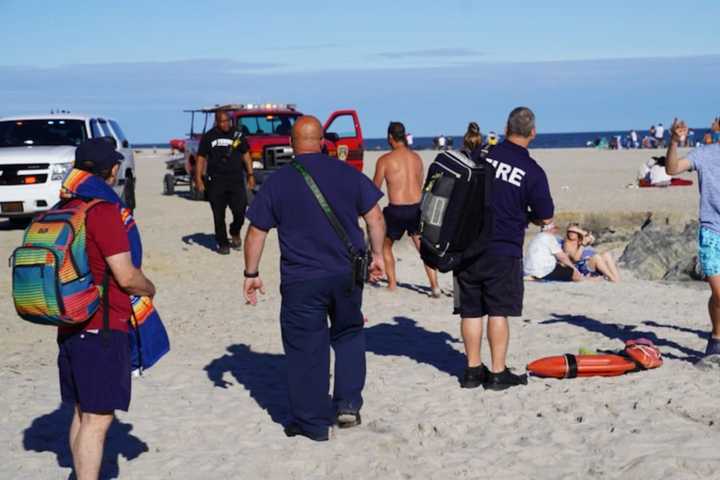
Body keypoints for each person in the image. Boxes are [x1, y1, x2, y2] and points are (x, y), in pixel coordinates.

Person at [243, 116, 386, 441]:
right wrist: (377, 256)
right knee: (349, 333)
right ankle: (348, 403)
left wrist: (251, 273)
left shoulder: (278, 181)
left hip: (302, 279)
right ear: (322, 141)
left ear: (292, 144)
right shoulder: (347, 173)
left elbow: (256, 232)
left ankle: (313, 423)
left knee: (306, 346)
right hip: (346, 274)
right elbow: (375, 216)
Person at [58, 139, 156, 480]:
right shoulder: (103, 210)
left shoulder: (70, 205)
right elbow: (126, 276)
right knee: (98, 420)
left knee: (82, 413)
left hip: (71, 324)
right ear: (111, 170)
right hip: (102, 327)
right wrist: (150, 288)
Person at [454, 107, 554, 390]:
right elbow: (546, 215)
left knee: (470, 310)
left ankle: (473, 370)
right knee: (498, 310)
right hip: (503, 246)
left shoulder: (482, 154)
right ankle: (498, 372)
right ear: (533, 133)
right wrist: (529, 214)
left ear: (506, 128)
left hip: (467, 244)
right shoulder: (532, 171)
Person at [666, 118, 720, 356]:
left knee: (718, 297)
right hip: (712, 231)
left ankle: (716, 337)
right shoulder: (705, 154)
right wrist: (674, 141)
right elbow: (672, 169)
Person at [373, 121, 440, 296]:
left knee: (386, 247)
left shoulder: (385, 160)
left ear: (390, 138)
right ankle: (434, 286)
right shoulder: (416, 158)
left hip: (396, 210)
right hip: (416, 208)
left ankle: (392, 284)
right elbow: (420, 184)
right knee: (424, 250)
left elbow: (374, 189)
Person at [195, 110, 256, 255]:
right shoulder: (209, 137)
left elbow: (246, 155)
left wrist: (250, 174)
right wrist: (198, 178)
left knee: (240, 211)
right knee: (218, 215)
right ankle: (222, 243)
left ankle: (235, 231)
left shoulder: (238, 135)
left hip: (235, 181)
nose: (226, 124)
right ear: (217, 122)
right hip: (216, 181)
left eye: (228, 120)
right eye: (222, 121)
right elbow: (201, 157)